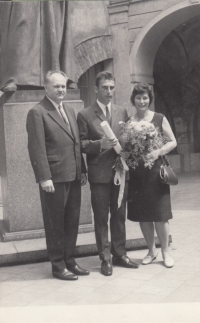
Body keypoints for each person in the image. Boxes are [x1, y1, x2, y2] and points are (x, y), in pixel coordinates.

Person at [26, 70, 89, 280]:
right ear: (46, 88)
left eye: (63, 86)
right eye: (56, 86)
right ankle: (58, 265)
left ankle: (70, 261)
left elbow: (76, 143)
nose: (61, 90)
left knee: (71, 221)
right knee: (55, 223)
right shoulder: (38, 112)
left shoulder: (70, 110)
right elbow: (37, 148)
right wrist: (44, 177)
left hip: (73, 175)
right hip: (53, 178)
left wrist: (83, 171)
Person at [77, 71, 138, 276]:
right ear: (96, 89)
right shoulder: (85, 114)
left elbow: (129, 139)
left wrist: (129, 149)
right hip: (100, 175)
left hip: (120, 172)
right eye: (105, 87)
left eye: (112, 87)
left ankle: (120, 254)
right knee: (102, 217)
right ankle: (105, 258)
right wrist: (99, 144)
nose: (109, 91)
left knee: (119, 215)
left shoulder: (122, 112)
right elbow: (81, 144)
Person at [126, 82, 177, 268]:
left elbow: (173, 142)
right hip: (138, 174)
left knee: (161, 214)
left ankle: (165, 252)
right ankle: (151, 250)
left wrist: (158, 152)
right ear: (133, 99)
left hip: (156, 173)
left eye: (145, 97)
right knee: (144, 215)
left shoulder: (159, 118)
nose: (142, 101)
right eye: (138, 98)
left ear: (150, 99)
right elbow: (127, 148)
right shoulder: (130, 122)